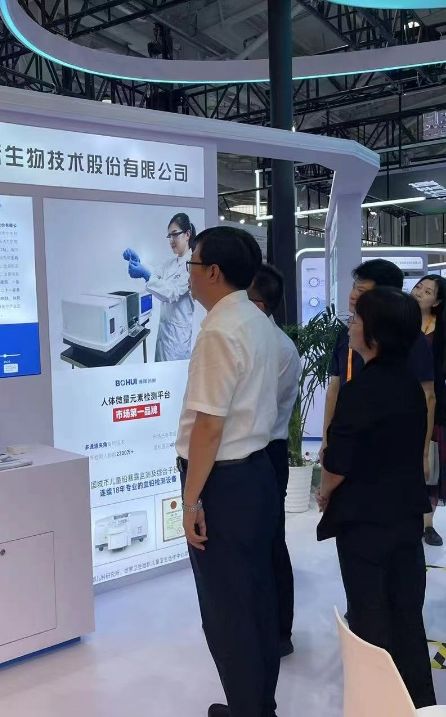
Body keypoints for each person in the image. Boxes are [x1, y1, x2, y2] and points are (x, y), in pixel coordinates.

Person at [176, 226, 280, 717]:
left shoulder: (219, 330)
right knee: (255, 598)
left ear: (213, 272)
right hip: (255, 472)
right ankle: (258, 706)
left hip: (223, 483)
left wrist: (191, 500)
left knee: (226, 610)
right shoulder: (256, 319)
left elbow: (209, 427)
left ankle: (247, 710)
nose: (189, 275)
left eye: (192, 265)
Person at [316, 287, 436, 708]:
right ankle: (418, 703)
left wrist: (325, 491)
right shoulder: (411, 386)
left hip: (364, 522)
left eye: (357, 319)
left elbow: (337, 464)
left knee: (370, 619)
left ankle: (379, 705)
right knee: (407, 615)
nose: (351, 327)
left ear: (376, 334)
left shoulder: (359, 390)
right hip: (405, 515)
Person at [321, 260, 436, 485]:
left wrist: (422, 454)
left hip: (391, 444)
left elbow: (428, 396)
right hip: (349, 438)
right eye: (354, 287)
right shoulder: (346, 335)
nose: (353, 295)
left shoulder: (411, 340)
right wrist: (327, 441)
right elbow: (334, 389)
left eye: (362, 291)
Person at [248, 263, 301, 658]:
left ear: (259, 305)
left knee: (268, 543)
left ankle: (278, 632)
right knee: (260, 543)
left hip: (264, 453)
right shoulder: (261, 341)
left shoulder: (275, 348)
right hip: (260, 452)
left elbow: (254, 412)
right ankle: (265, 628)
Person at [410, 275, 446, 546]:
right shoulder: (402, 320)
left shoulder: (442, 329)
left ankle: (428, 523)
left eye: (427, 291)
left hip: (434, 400)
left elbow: (445, 365)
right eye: (419, 287)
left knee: (432, 459)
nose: (419, 292)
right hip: (403, 398)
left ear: (438, 301)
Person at [123, 213, 196, 362]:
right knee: (161, 371)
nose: (171, 240)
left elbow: (172, 293)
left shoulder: (192, 264)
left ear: (187, 234)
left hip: (177, 338)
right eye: (169, 236)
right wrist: (139, 263)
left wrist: (145, 275)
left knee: (174, 375)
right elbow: (155, 273)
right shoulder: (171, 262)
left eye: (174, 234)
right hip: (164, 333)